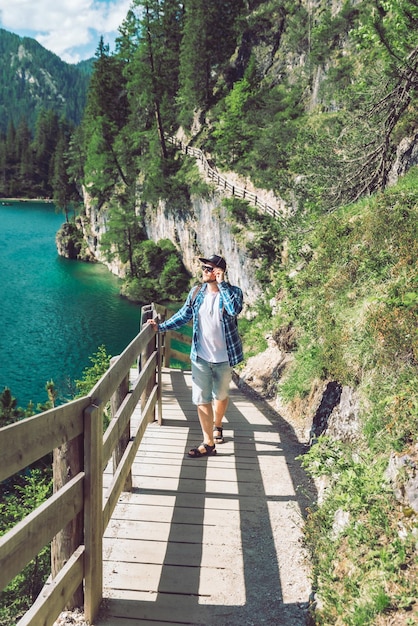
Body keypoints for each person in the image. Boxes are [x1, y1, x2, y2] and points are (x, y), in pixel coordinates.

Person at [147, 254, 244, 458]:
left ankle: (218, 425)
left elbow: (234, 310)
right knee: (201, 398)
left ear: (219, 271)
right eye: (203, 268)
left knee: (221, 395)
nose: (204, 271)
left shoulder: (234, 293)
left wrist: (222, 285)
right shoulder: (196, 293)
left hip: (225, 358)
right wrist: (160, 327)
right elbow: (184, 315)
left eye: (208, 268)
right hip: (200, 357)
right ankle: (208, 442)